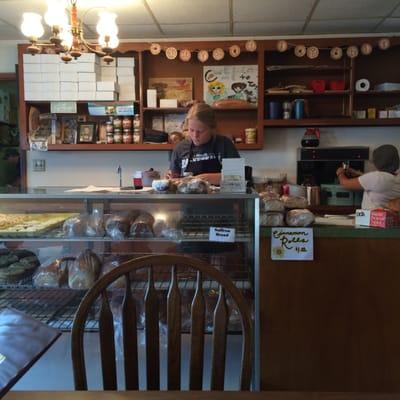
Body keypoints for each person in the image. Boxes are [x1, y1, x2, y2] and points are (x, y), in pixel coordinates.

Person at [167, 102, 240, 185]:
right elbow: (175, 178)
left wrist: (207, 178)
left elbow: (237, 178)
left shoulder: (225, 144)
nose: (195, 135)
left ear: (212, 128)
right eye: (191, 130)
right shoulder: (180, 148)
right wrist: (171, 179)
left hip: (219, 197)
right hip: (188, 197)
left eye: (200, 131)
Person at [336, 144, 400, 209]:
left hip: (371, 218)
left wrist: (340, 173)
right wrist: (358, 173)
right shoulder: (396, 178)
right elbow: (379, 182)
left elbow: (345, 183)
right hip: (388, 217)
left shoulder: (377, 177)